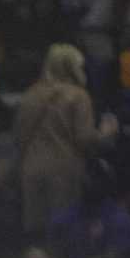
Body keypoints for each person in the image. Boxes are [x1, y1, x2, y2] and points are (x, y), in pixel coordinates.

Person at [15, 43, 120, 232]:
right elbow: (84, 139)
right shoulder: (78, 96)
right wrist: (106, 132)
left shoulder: (29, 95)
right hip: (64, 169)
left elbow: (19, 136)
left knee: (35, 232)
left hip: (30, 169)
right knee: (62, 229)